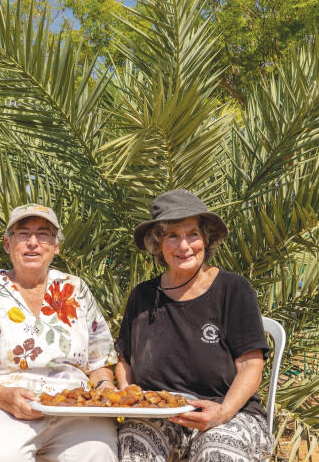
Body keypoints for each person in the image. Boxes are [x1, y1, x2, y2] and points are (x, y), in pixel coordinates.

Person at [0, 203, 118, 462]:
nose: (33, 242)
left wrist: (105, 387)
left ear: (56, 246)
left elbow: (100, 361)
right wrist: (2, 396)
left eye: (43, 234)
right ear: (8, 244)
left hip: (73, 409)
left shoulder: (76, 289)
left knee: (98, 454)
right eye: (23, 234)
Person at [115, 190, 274, 462]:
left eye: (192, 235)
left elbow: (251, 365)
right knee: (134, 444)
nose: (184, 246)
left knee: (218, 451)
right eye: (173, 236)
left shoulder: (233, 289)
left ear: (206, 239)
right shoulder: (142, 295)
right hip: (160, 415)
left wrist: (222, 412)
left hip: (231, 414)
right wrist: (133, 399)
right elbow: (124, 360)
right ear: (158, 244)